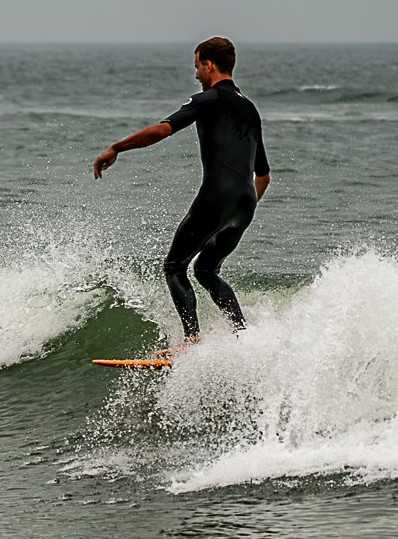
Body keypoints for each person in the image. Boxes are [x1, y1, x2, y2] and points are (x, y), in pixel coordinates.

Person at [92, 37, 270, 341]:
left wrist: (117, 147)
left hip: (218, 198)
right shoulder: (250, 109)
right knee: (207, 271)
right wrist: (240, 207)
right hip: (245, 204)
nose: (196, 74)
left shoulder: (207, 100)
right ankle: (244, 337)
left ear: (209, 65)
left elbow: (163, 129)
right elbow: (263, 175)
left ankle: (191, 341)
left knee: (175, 266)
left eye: (197, 66)